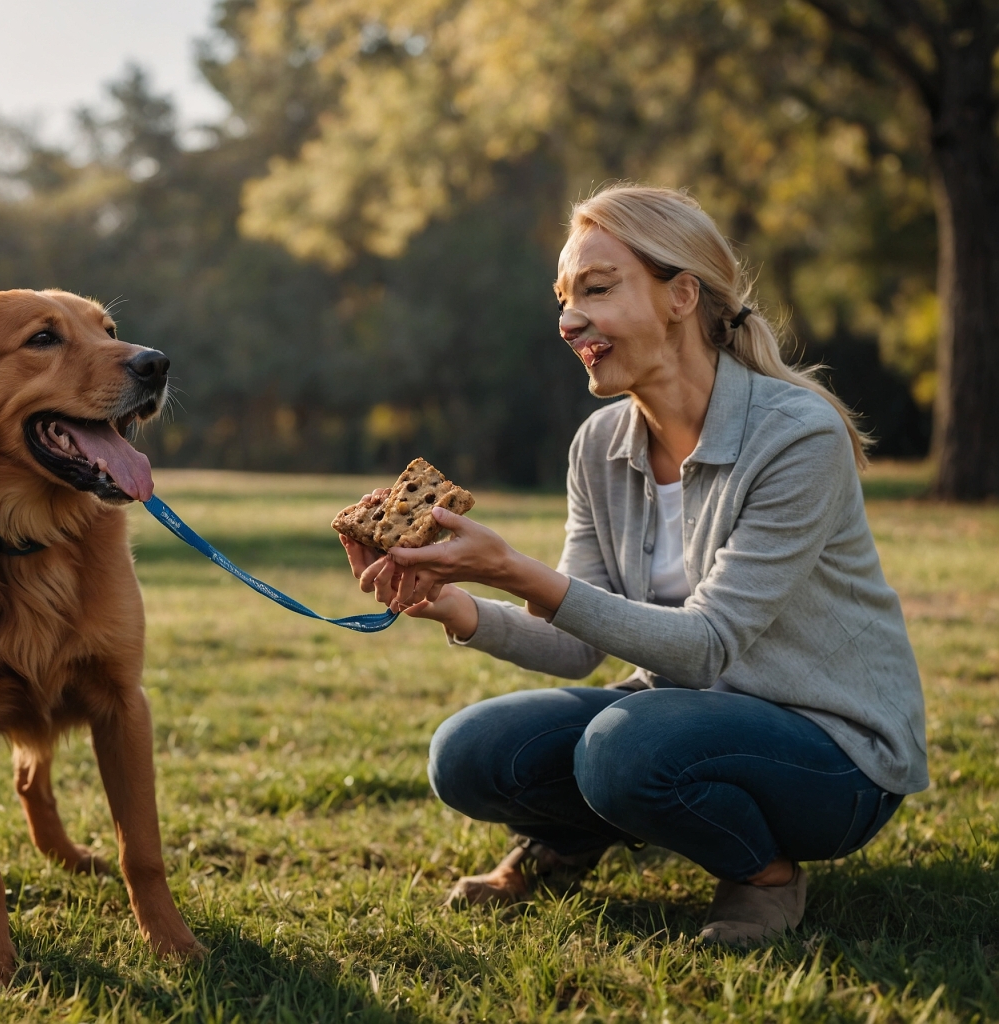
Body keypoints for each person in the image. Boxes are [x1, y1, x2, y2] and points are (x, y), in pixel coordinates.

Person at [339, 184, 927, 945]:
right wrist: (451, 602)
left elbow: (707, 643)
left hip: (834, 753)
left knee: (625, 749)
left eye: (596, 288)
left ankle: (764, 874)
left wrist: (513, 569)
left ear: (682, 295)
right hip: (673, 714)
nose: (568, 317)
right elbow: (579, 644)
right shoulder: (601, 444)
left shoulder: (795, 436)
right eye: (563, 297)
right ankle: (573, 839)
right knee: (470, 754)